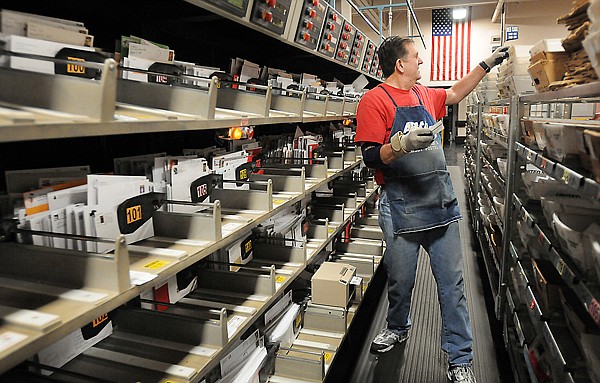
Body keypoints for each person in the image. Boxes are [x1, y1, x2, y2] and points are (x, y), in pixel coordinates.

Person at [355, 36, 509, 383]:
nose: (420, 64)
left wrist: (485, 65)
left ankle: (459, 358)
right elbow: (368, 156)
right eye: (417, 59)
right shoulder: (374, 100)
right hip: (401, 208)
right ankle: (397, 327)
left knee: (452, 287)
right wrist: (399, 145)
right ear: (400, 64)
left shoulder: (424, 94)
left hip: (439, 205)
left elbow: (454, 94)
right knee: (400, 281)